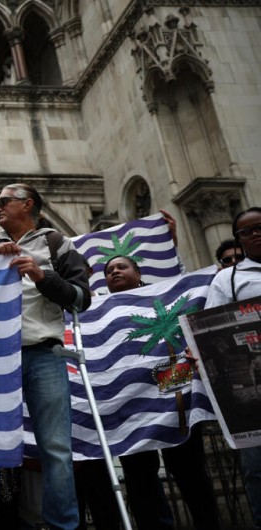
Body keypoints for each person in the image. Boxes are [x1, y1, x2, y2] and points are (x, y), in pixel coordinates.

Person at [0, 183, 91, 530]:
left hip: (43, 356)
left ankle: (63, 525)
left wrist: (40, 273)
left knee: (56, 448)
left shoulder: (56, 243)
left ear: (27, 204)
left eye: (4, 202)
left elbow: (80, 298)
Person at [102, 255, 222, 530]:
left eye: (121, 267)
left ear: (138, 271)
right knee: (139, 477)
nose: (115, 272)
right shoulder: (100, 310)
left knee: (188, 470)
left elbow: (194, 291)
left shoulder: (166, 298)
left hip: (172, 391)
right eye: (109, 270)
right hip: (130, 403)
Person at [205, 208, 261, 529]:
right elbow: (212, 329)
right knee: (257, 469)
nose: (254, 234)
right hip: (252, 388)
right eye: (246, 232)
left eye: (259, 228)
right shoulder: (229, 278)